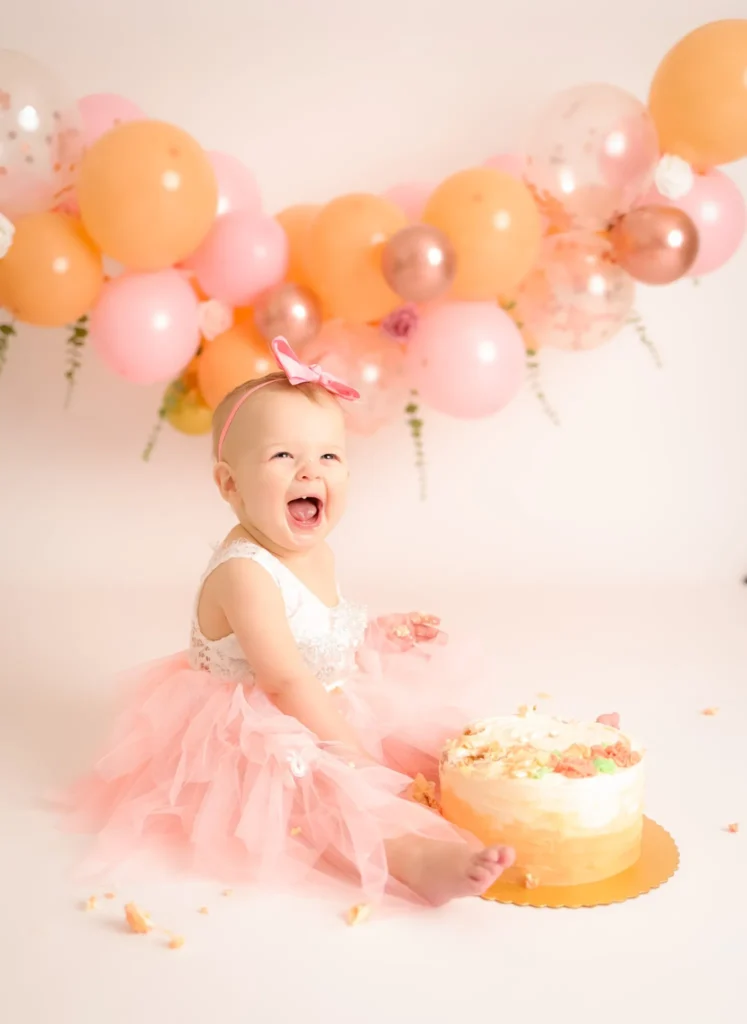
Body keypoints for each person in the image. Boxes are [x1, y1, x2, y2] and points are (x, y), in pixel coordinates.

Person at [64, 337, 514, 910]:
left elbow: (317, 630)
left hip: (316, 692)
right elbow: (285, 681)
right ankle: (417, 860)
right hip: (260, 724)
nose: (311, 471)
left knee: (421, 746)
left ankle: (487, 801)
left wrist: (375, 632)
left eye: (329, 457)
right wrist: (353, 755)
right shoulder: (244, 575)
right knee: (329, 788)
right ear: (230, 485)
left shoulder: (314, 549)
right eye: (283, 457)